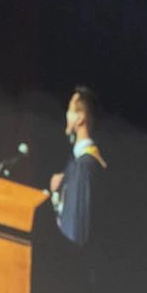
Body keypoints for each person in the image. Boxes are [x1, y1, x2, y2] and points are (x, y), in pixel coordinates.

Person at [49, 86, 106, 248]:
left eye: (70, 110)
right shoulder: (78, 162)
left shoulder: (85, 165)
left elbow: (74, 230)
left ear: (80, 118)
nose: (67, 115)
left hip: (70, 259)